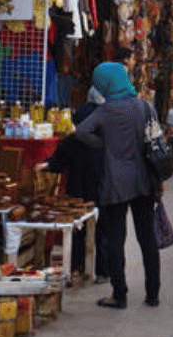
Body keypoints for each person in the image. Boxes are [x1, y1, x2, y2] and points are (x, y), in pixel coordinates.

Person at [71, 61, 162, 310]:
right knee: (147, 238)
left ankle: (119, 294)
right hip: (143, 179)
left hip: (114, 181)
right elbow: (157, 139)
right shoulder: (144, 107)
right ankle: (152, 293)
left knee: (115, 239)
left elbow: (81, 132)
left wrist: (103, 144)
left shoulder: (105, 111)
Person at [43, 86, 107, 280]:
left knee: (79, 230)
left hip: (78, 188)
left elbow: (59, 161)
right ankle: (102, 271)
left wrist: (47, 165)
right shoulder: (106, 135)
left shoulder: (74, 139)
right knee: (102, 230)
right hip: (100, 189)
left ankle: (77, 266)